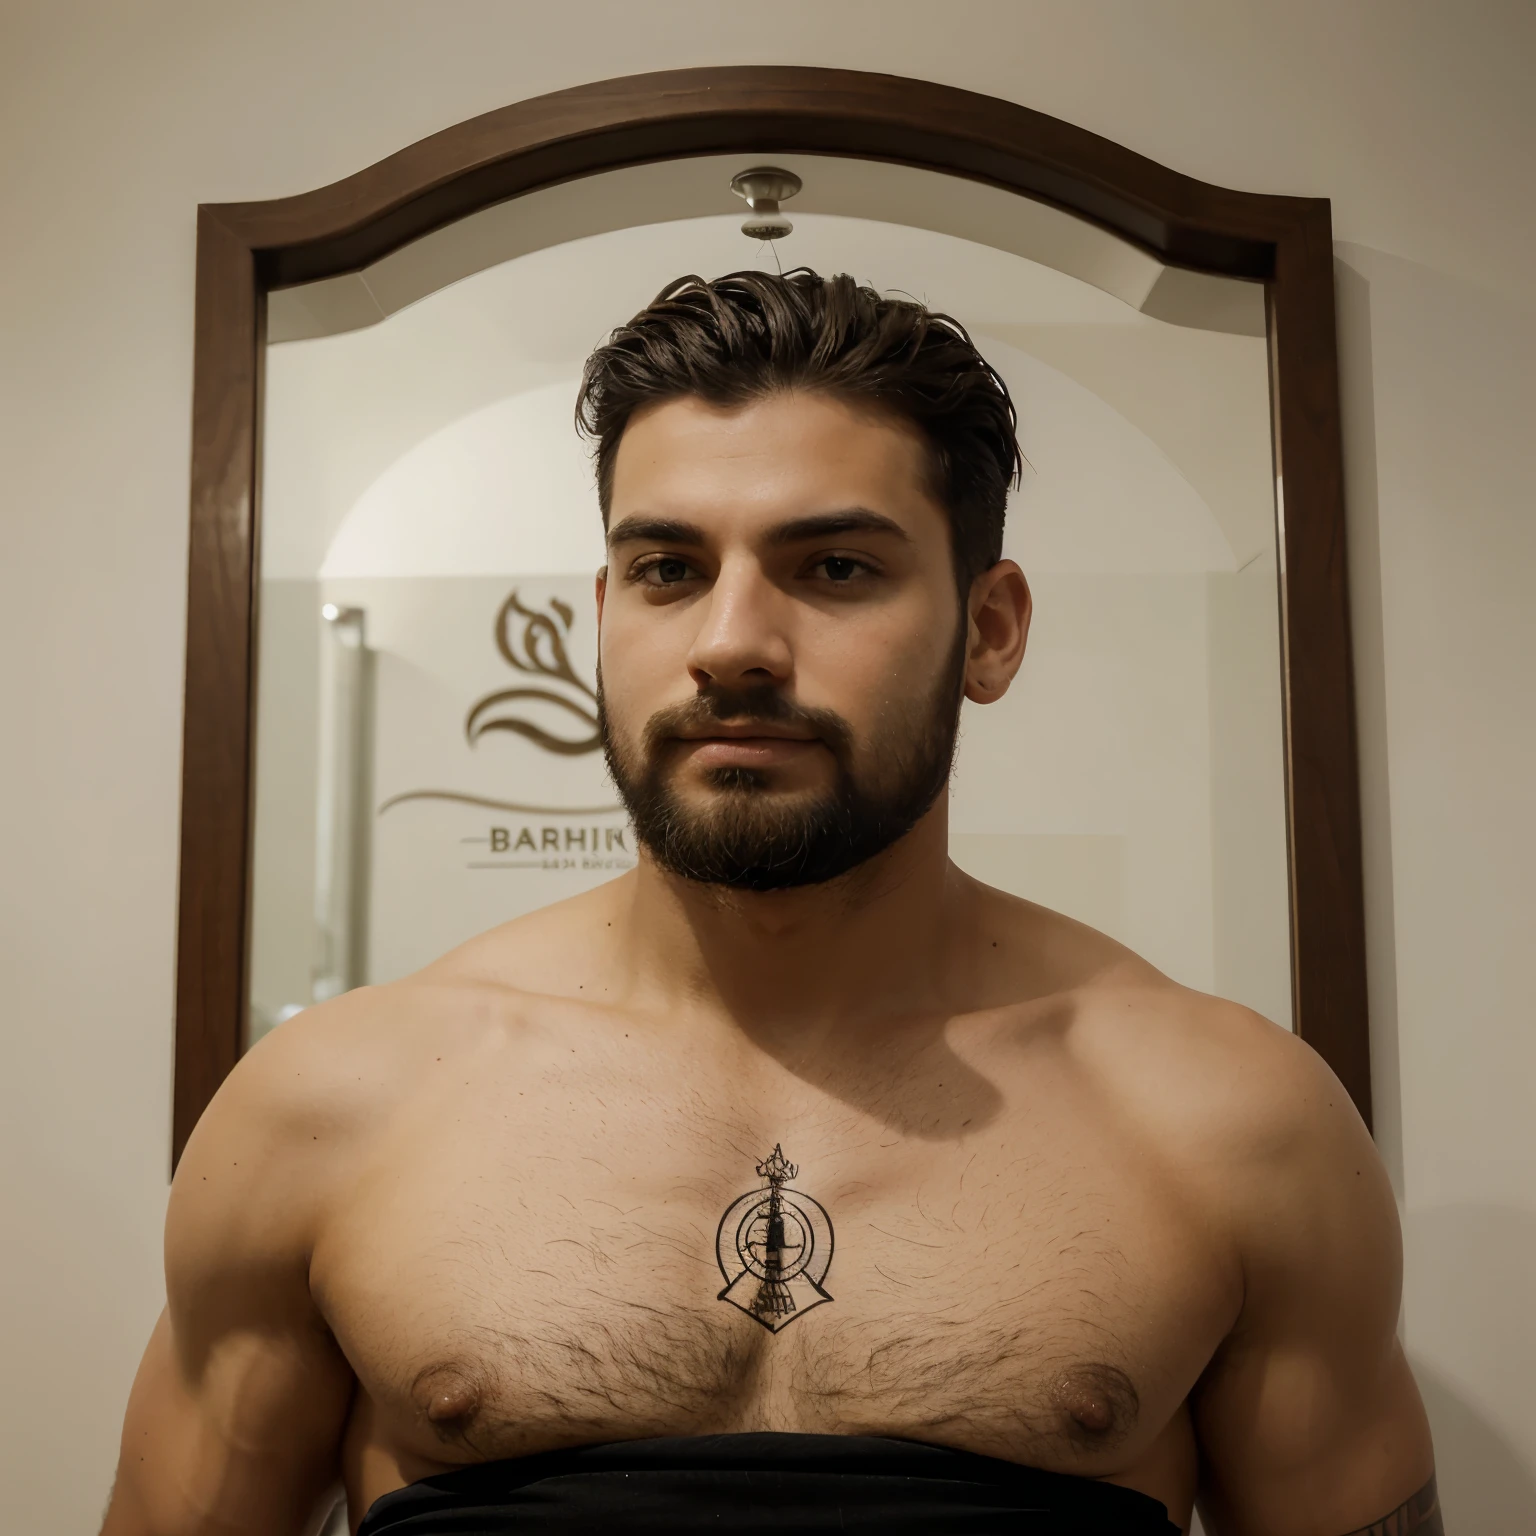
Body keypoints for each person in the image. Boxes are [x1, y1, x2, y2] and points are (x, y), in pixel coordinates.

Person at [102, 270, 1440, 1535]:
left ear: (989, 630)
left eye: (836, 567)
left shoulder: (1234, 1125)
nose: (731, 643)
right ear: (601, 619)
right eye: (667, 570)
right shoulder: (330, 1110)